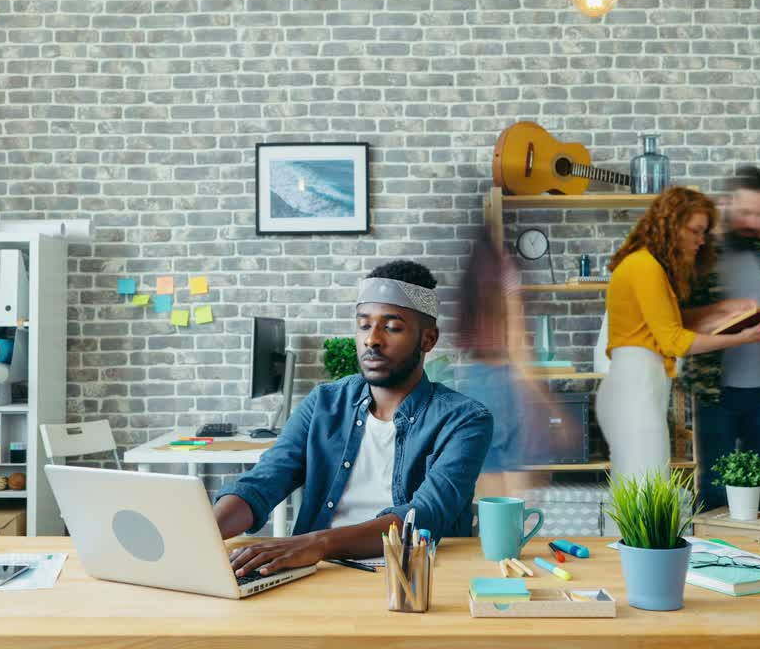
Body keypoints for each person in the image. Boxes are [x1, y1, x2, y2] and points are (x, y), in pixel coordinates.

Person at [214, 260, 495, 579]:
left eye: (392, 327)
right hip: (316, 572)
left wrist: (315, 543)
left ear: (428, 339)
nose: (372, 340)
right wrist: (203, 532)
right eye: (364, 325)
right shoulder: (324, 403)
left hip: (412, 576)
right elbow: (263, 482)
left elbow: (424, 516)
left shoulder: (465, 420)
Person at [597, 186, 760, 481]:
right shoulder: (645, 267)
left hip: (638, 390)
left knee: (641, 493)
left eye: (704, 233)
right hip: (635, 392)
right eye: (695, 231)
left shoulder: (647, 264)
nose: (701, 240)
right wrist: (743, 338)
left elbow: (671, 323)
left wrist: (722, 309)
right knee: (645, 494)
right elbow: (675, 342)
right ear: (671, 226)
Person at [681, 166, 760, 507]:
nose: (754, 222)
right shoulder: (699, 252)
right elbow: (676, 321)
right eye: (747, 212)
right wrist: (723, 314)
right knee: (716, 490)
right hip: (715, 393)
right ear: (725, 204)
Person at [454, 231, 555, 498]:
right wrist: (547, 404)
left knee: (488, 505)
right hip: (504, 385)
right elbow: (518, 340)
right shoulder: (505, 268)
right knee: (517, 506)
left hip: (475, 384)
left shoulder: (474, 273)